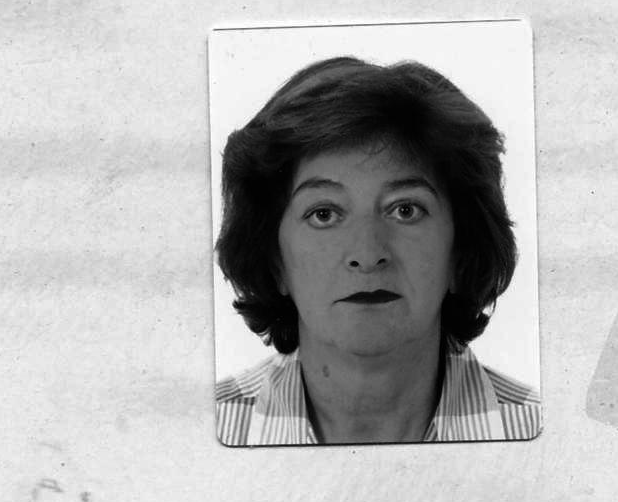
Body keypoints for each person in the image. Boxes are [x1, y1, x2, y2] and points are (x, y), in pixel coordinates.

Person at [214, 55, 541, 446]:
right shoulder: (192, 438)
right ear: (274, 259)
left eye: (405, 210)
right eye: (324, 214)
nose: (367, 254)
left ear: (460, 249)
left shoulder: (549, 436)